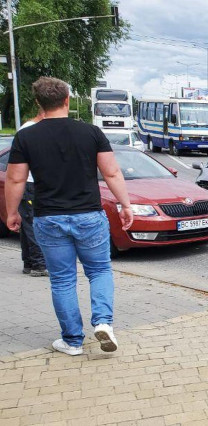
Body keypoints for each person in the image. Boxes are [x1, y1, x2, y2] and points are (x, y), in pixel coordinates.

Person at [5, 77, 134, 356]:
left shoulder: (26, 136)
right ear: (67, 100)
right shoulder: (91, 132)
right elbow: (111, 173)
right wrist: (126, 205)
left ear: (39, 103)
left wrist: (13, 212)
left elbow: (15, 180)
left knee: (62, 280)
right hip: (89, 215)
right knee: (99, 271)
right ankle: (103, 322)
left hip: (49, 218)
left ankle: (73, 341)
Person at [17, 108, 47, 277]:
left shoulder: (28, 129)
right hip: (30, 183)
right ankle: (38, 264)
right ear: (42, 113)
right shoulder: (30, 130)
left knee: (27, 224)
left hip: (29, 183)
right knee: (33, 224)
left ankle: (29, 262)